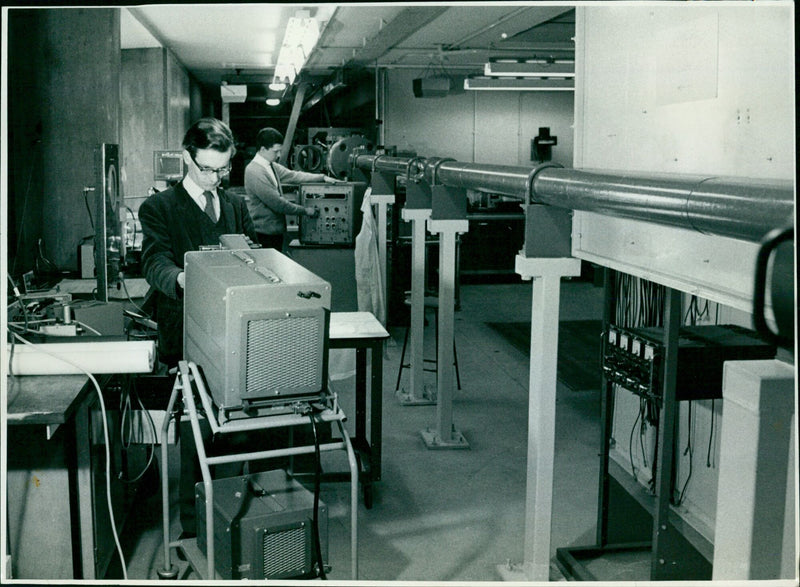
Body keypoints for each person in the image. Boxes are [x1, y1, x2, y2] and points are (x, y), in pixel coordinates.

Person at [139, 117, 259, 536]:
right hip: (187, 337)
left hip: (235, 335)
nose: (214, 178)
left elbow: (254, 259)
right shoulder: (159, 208)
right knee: (198, 435)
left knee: (238, 434)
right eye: (207, 168)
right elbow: (154, 262)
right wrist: (185, 279)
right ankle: (196, 531)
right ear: (186, 157)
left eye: (222, 169)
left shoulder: (237, 206)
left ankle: (231, 523)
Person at [244, 127, 343, 251]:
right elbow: (278, 204)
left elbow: (294, 176)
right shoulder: (254, 171)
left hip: (275, 233)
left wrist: (322, 177)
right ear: (263, 149)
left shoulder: (270, 166)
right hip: (263, 235)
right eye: (276, 151)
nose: (279, 155)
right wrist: (306, 211)